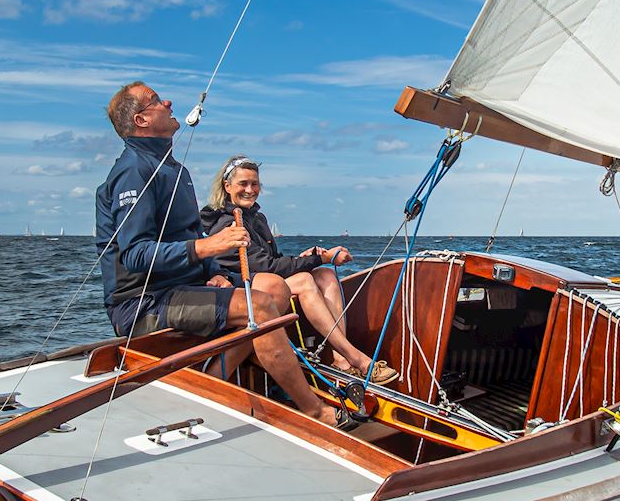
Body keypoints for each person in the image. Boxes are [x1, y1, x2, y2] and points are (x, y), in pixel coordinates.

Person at [94, 83, 343, 427]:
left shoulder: (173, 170)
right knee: (259, 306)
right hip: (143, 304)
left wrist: (215, 270)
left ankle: (211, 382)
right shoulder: (134, 170)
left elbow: (191, 235)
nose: (167, 101)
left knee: (272, 291)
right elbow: (135, 254)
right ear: (141, 120)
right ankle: (314, 411)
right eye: (155, 100)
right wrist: (208, 247)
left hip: (182, 290)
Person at [200, 155, 398, 384]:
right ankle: (356, 358)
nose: (250, 189)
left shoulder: (257, 218)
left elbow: (272, 260)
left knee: (325, 274)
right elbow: (267, 267)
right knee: (305, 279)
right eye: (243, 184)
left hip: (262, 279)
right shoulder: (228, 222)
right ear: (227, 187)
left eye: (254, 184)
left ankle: (339, 358)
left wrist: (312, 259)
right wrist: (319, 257)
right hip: (237, 286)